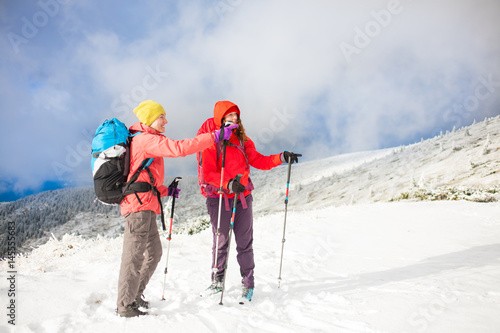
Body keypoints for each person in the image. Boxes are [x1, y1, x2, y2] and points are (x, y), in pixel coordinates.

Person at [117, 100, 237, 317]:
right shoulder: (145, 139)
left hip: (146, 204)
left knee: (154, 252)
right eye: (162, 116)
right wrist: (215, 136)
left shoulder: (145, 139)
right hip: (138, 207)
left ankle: (135, 295)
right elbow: (180, 148)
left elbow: (144, 178)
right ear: (150, 119)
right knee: (133, 257)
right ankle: (125, 306)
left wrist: (165, 191)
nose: (166, 121)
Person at [200, 100, 301, 303]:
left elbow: (259, 160)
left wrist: (281, 157)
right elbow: (208, 172)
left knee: (245, 244)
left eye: (236, 115)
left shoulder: (242, 139)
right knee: (221, 242)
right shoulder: (209, 140)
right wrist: (228, 184)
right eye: (230, 116)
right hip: (219, 198)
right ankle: (217, 280)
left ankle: (248, 284)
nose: (234, 119)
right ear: (220, 118)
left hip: (243, 198)